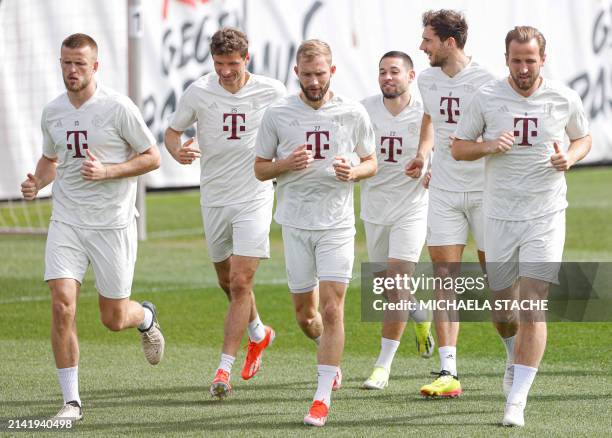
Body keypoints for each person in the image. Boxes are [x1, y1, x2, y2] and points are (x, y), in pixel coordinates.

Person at [20, 33, 164, 421]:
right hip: (66, 220)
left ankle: (145, 317)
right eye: (66, 63)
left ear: (95, 66)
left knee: (113, 319)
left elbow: (152, 157)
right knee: (62, 303)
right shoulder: (53, 111)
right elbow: (52, 159)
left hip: (112, 224)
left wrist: (109, 171)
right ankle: (71, 402)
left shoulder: (118, 108)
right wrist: (37, 181)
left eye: (79, 64)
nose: (71, 70)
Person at [452, 26, 591, 426]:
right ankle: (512, 354)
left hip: (545, 214)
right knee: (503, 309)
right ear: (506, 58)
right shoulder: (487, 97)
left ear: (543, 59)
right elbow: (459, 147)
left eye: (530, 60)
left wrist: (571, 156)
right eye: (517, 60)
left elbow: (583, 138)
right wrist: (488, 146)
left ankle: (517, 399)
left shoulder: (564, 98)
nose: (524, 68)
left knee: (533, 303)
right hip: (498, 215)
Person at [254, 39, 377, 427]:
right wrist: (286, 163)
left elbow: (371, 161)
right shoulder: (277, 114)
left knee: (332, 307)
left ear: (332, 72)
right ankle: (328, 356)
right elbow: (259, 169)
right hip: (294, 223)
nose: (313, 81)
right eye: (306, 74)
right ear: (296, 74)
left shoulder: (352, 113)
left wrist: (353, 171)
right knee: (307, 317)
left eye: (320, 74)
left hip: (337, 225)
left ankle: (321, 397)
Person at [164, 27, 286, 398]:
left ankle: (223, 370)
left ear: (246, 59)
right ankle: (258, 333)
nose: (226, 71)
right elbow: (172, 132)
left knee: (240, 283)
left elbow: (293, 127)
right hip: (214, 197)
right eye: (219, 64)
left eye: (232, 64)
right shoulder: (199, 91)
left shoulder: (272, 91)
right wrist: (178, 151)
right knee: (225, 279)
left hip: (255, 194)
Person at [406, 9, 499, 398]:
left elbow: (498, 139)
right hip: (442, 191)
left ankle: (515, 359)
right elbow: (429, 118)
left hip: (484, 193)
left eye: (427, 40)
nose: (421, 46)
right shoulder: (426, 79)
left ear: (449, 42)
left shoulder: (489, 83)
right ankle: (448, 372)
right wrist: (424, 154)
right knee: (444, 278)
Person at [359, 51, 434, 391]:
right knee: (388, 286)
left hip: (412, 207)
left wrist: (434, 171)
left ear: (411, 76)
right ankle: (420, 316)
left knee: (397, 281)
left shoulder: (425, 112)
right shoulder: (364, 109)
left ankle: (382, 366)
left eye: (394, 71)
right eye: (382, 71)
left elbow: (446, 150)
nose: (387, 77)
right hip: (375, 208)